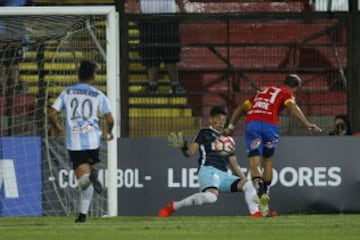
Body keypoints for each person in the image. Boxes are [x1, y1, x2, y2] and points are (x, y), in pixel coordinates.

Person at [224, 74, 322, 217]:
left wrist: (231, 127)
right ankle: (265, 194)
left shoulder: (262, 92)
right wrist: (306, 123)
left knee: (254, 162)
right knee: (268, 161)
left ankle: (261, 192)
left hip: (254, 125)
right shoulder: (285, 93)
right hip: (270, 127)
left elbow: (240, 108)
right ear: (294, 88)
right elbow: (292, 107)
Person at [158, 105, 262, 218]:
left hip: (224, 175)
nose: (221, 122)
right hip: (208, 170)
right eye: (217, 119)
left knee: (248, 185)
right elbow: (189, 153)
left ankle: (256, 214)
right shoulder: (204, 132)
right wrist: (183, 146)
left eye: (223, 120)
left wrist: (245, 180)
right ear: (211, 119)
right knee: (212, 197)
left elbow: (234, 164)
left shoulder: (227, 140)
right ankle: (174, 206)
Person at [48, 60, 114, 223]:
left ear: (79, 75)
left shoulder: (67, 92)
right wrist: (109, 131)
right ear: (93, 76)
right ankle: (92, 175)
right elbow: (110, 119)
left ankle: (83, 214)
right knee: (87, 174)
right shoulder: (99, 95)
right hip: (93, 141)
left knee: (83, 182)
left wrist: (56, 127)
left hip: (75, 142)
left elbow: (51, 113)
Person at [128, 0, 186, 94]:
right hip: (147, 21)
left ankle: (174, 84)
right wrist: (130, 13)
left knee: (171, 54)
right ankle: (153, 85)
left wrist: (183, 9)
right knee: (151, 55)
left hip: (168, 20)